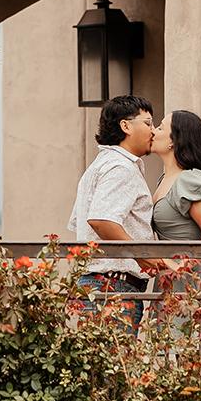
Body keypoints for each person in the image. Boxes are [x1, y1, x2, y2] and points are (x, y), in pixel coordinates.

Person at [66, 93, 156, 324]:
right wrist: (143, 256)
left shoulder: (101, 165)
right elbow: (101, 220)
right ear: (125, 125)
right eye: (148, 123)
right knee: (119, 360)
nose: (153, 131)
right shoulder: (120, 167)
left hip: (101, 285)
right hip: (113, 288)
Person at [148, 109, 201, 301]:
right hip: (172, 284)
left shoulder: (189, 180)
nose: (153, 131)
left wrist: (182, 267)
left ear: (174, 140)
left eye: (160, 127)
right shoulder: (164, 180)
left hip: (195, 283)